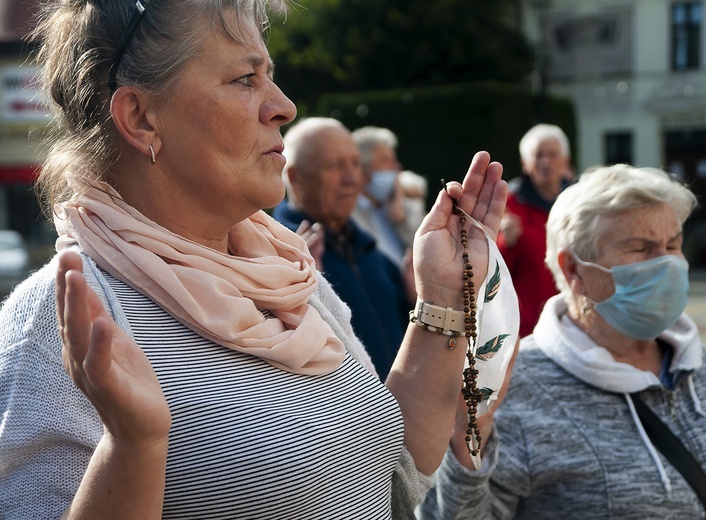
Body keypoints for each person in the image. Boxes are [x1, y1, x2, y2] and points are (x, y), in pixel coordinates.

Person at [0, 1, 510, 517]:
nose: (284, 106)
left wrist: (443, 297)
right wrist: (133, 448)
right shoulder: (63, 319)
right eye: (245, 79)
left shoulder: (285, 275)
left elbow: (395, 481)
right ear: (140, 118)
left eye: (270, 76)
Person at [418, 164, 706, 519]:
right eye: (641, 248)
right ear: (574, 270)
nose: (667, 263)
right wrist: (469, 439)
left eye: (673, 244)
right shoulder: (511, 392)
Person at [272, 117, 410, 380]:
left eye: (356, 164)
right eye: (335, 166)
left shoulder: (371, 252)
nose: (352, 179)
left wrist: (420, 299)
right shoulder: (275, 256)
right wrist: (308, 296)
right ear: (295, 176)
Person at [497, 123, 572, 337]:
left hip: (575, 324)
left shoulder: (580, 202)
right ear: (525, 164)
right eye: (538, 155)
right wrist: (506, 243)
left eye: (553, 154)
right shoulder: (507, 206)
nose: (545, 162)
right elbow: (492, 272)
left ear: (565, 160)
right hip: (528, 330)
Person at [351, 125, 409, 267]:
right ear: (362, 168)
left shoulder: (397, 202)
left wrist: (401, 218)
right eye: (385, 160)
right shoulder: (349, 215)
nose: (396, 166)